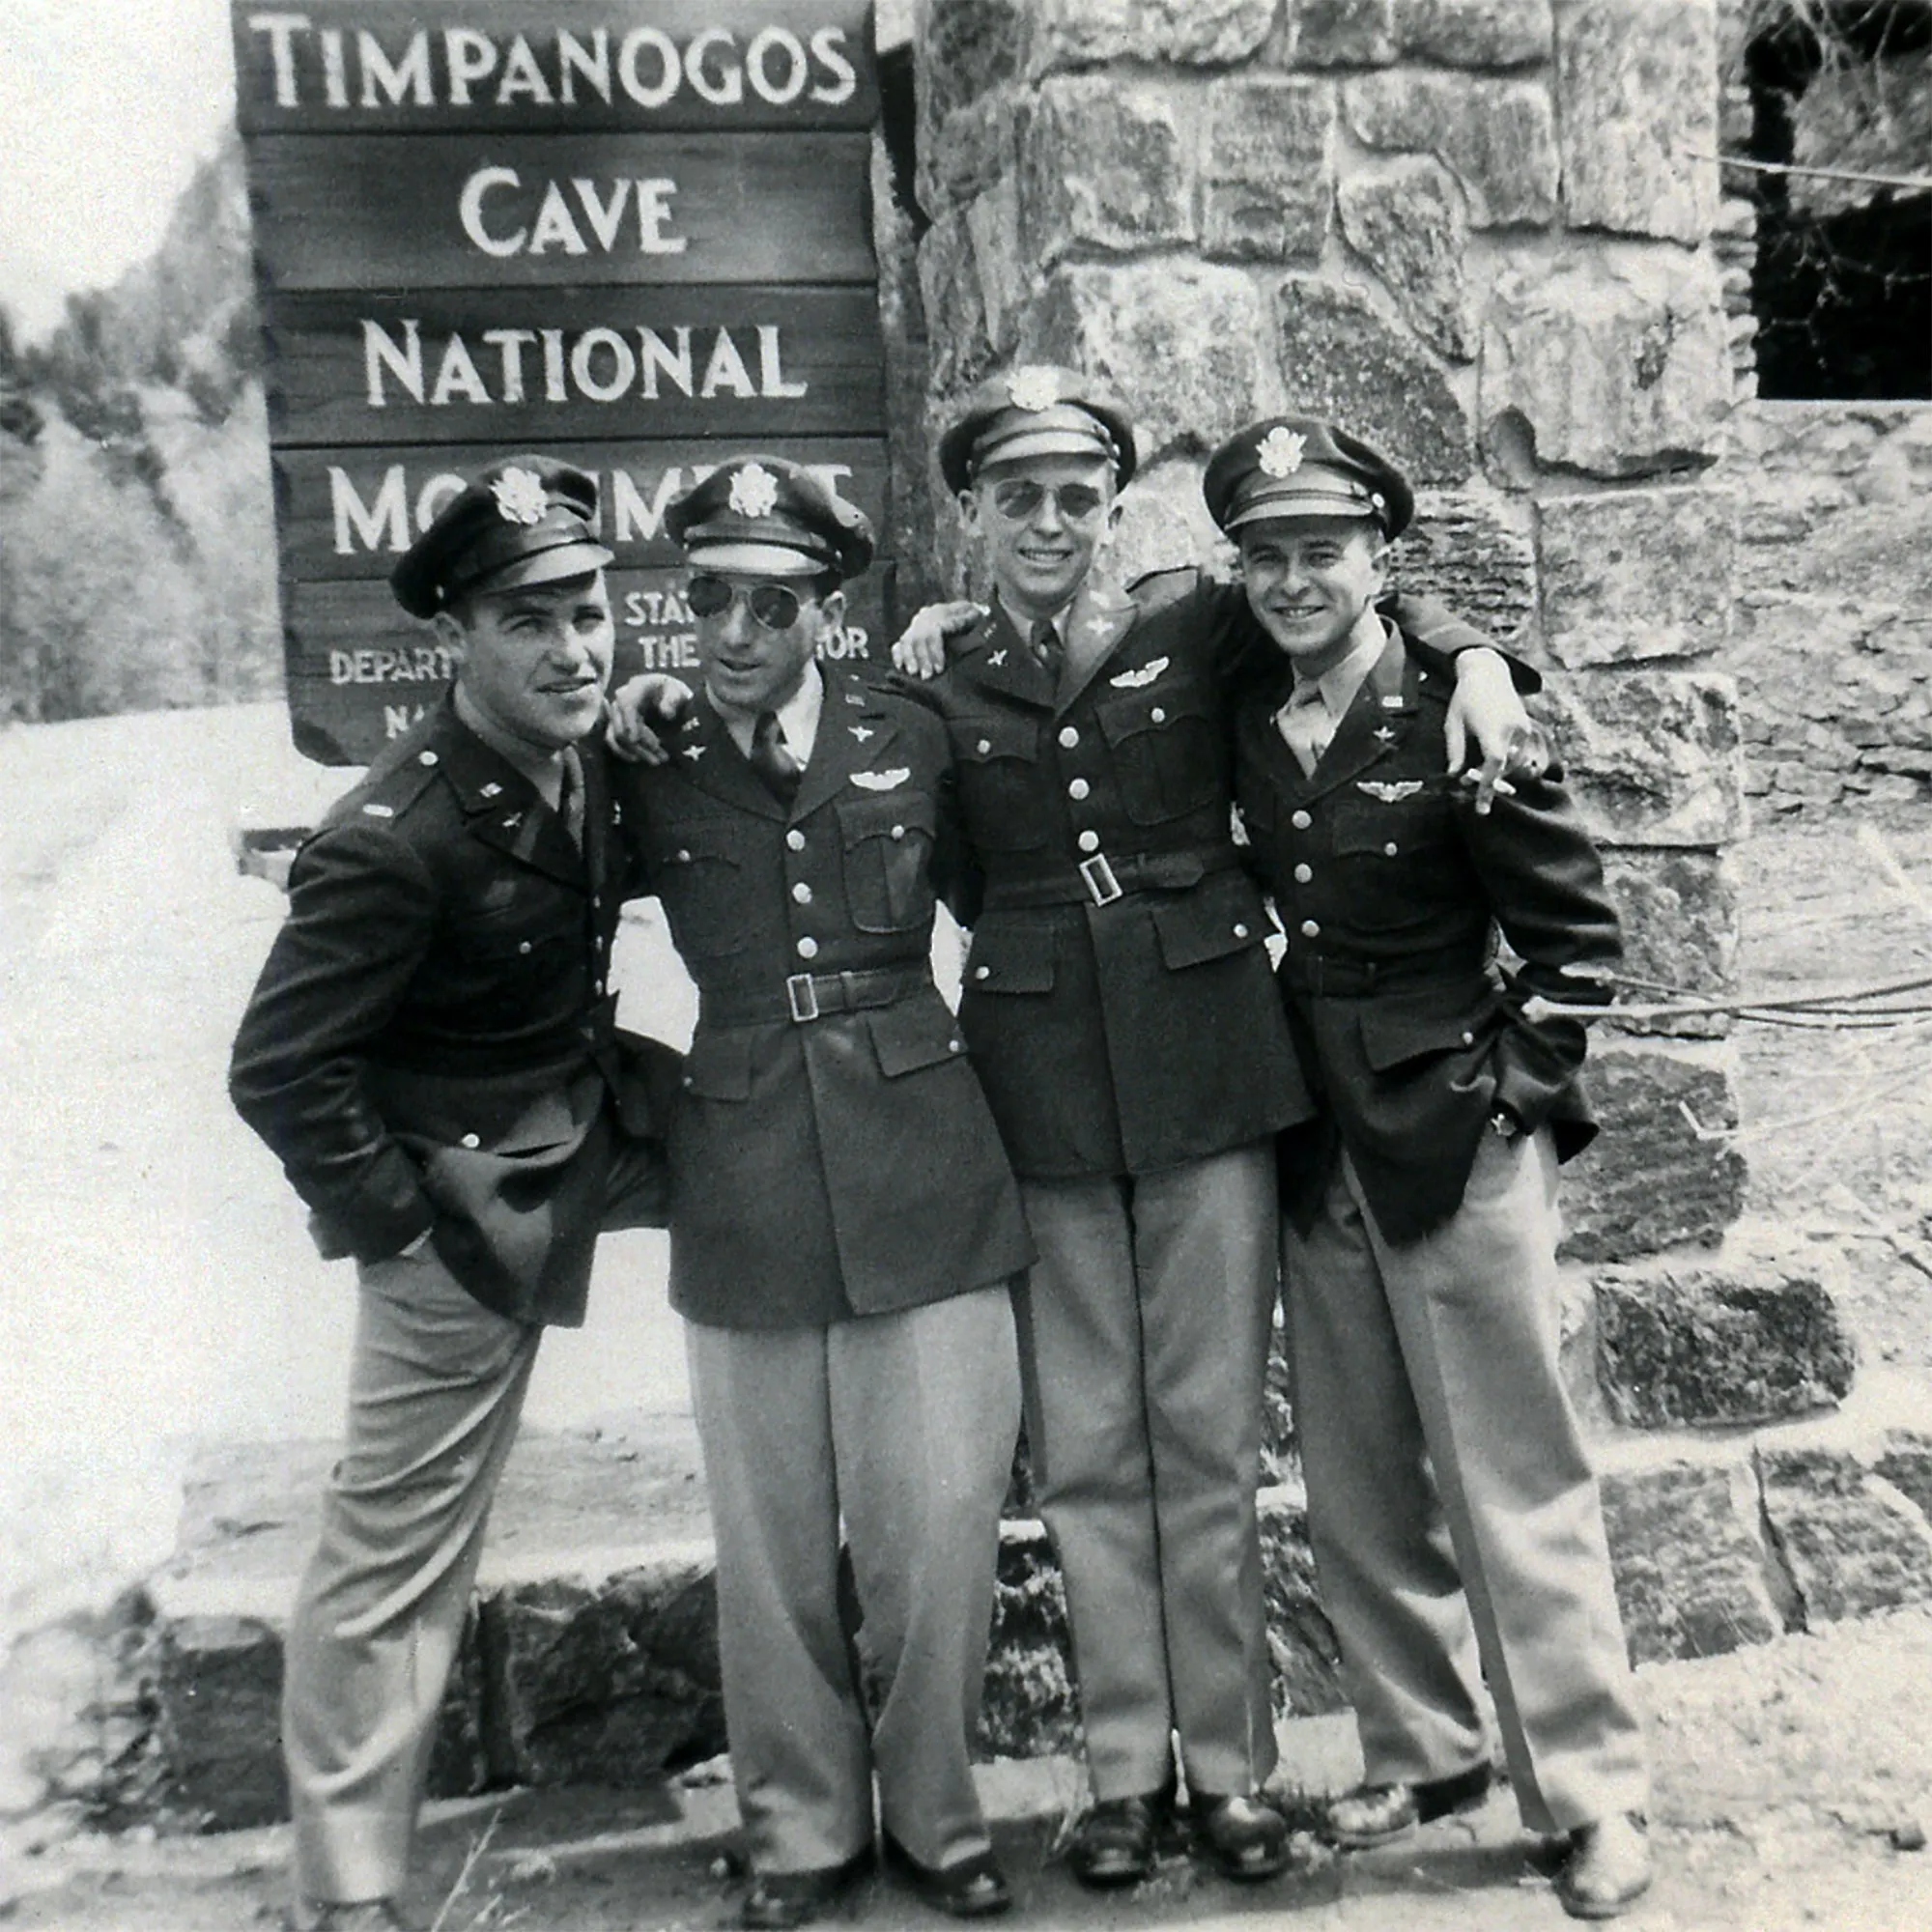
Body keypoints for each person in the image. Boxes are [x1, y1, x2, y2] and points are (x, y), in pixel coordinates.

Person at [877, 365, 1543, 1890]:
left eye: (1074, 496)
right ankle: (1124, 1777)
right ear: (970, 512)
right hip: (1037, 1083)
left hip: (1209, 1071)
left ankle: (1231, 1769)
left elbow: (1361, 604)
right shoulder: (938, 669)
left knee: (1212, 1437)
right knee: (1093, 1449)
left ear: (1113, 506)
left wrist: (1482, 657)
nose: (1049, 523)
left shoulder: (1198, 621)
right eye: (1016, 498)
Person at [1207, 414, 1653, 1921]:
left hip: (1453, 1140)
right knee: (1354, 1481)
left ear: (1380, 563)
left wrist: (1513, 1099)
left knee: (1511, 1479)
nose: (1290, 582)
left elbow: (1581, 946)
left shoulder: (1463, 715)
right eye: (1263, 556)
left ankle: (1588, 1794)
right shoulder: (1245, 705)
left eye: (1322, 552)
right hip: (1316, 1140)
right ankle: (1427, 1747)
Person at [229, 457, 678, 1932]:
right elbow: (281, 1070)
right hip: (461, 1199)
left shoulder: (586, 752)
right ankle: (349, 1890)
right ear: (458, 640)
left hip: (590, 1120)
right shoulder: (392, 836)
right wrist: (402, 1231)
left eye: (587, 612)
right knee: (398, 1542)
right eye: (526, 622)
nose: (572, 648)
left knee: (815, 1149)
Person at [611, 456, 1034, 1928]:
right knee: (772, 1535)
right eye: (708, 600)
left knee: (935, 1524)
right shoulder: (643, 761)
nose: (733, 631)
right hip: (740, 1177)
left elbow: (1014, 893)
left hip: (923, 1159)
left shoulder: (910, 736)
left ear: (822, 611)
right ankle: (798, 1828)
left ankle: (936, 1811)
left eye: (768, 603)